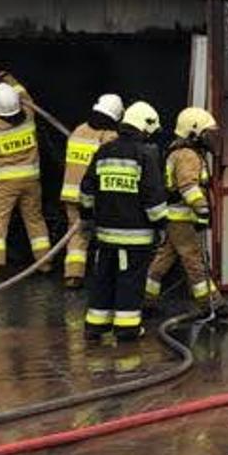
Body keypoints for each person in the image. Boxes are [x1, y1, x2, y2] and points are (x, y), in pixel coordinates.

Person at [79, 101, 167, 342]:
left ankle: (95, 326)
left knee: (103, 280)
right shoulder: (145, 155)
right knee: (130, 282)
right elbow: (153, 196)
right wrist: (161, 225)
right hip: (135, 238)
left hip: (104, 235)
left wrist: (86, 217)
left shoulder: (104, 151)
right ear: (144, 126)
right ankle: (127, 329)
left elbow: (86, 190)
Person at [145, 107, 226, 314]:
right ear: (193, 132)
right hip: (181, 218)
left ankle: (145, 300)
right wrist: (202, 208)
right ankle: (212, 304)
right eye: (207, 133)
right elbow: (187, 186)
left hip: (175, 217)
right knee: (194, 260)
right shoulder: (187, 155)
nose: (211, 139)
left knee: (163, 260)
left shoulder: (182, 152)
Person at [0, 77, 50, 278]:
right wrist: (8, 78)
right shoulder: (29, 115)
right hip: (31, 179)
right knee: (35, 220)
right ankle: (44, 262)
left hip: (6, 182)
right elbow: (25, 97)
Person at [59, 94, 124, 288]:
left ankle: (73, 274)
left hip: (71, 194)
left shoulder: (78, 131)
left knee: (77, 234)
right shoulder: (110, 137)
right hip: (95, 196)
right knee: (104, 234)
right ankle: (103, 276)